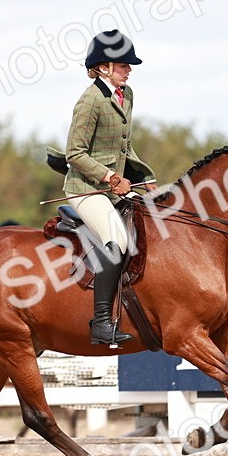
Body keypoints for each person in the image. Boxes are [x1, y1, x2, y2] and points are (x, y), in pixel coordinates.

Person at [63, 30, 158, 345]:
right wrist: (110, 178)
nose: (129, 70)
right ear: (103, 67)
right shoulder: (89, 101)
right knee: (116, 240)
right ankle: (101, 323)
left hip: (115, 187)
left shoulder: (126, 95)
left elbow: (123, 149)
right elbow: (74, 153)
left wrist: (143, 177)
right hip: (85, 189)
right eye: (123, 65)